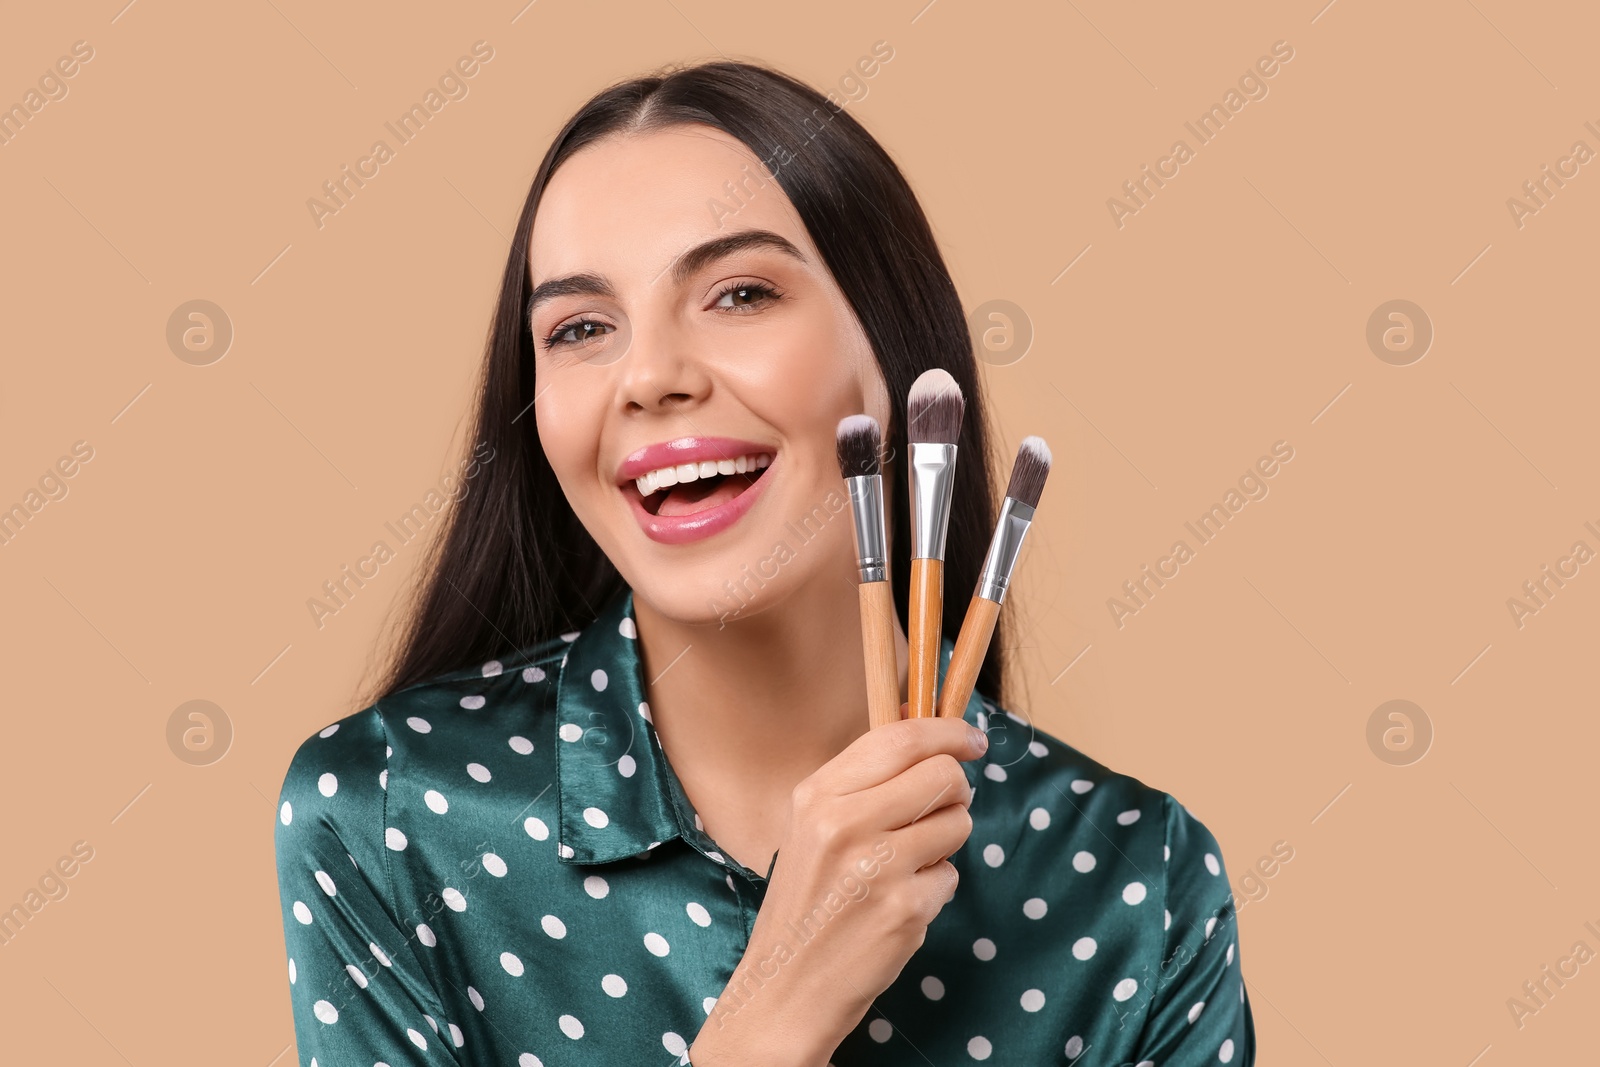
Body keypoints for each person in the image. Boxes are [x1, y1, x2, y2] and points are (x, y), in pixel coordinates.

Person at [273, 58, 1256, 1066]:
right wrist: (774, 1016)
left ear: (895, 347)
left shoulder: (1141, 879)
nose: (650, 375)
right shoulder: (387, 810)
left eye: (739, 294)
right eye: (579, 328)